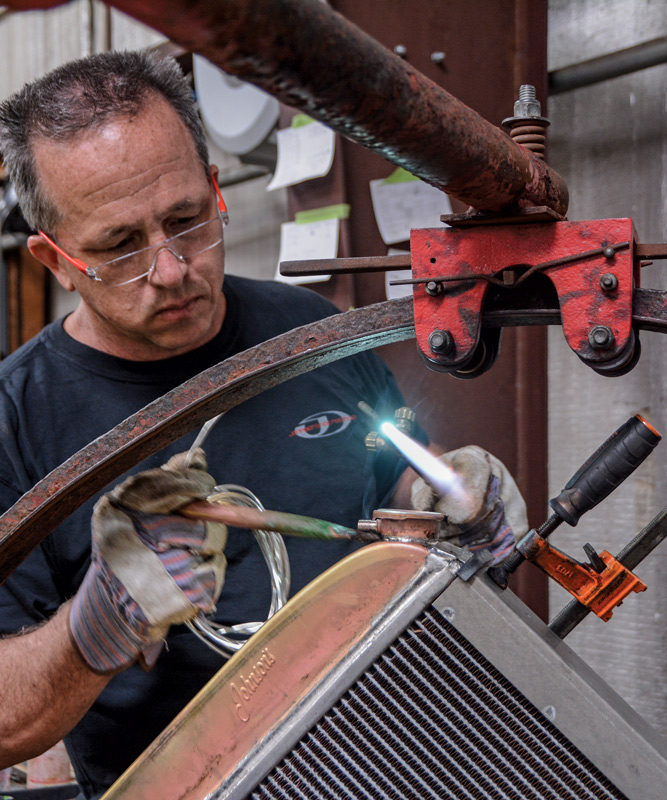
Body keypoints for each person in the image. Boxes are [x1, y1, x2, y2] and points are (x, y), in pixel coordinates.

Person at [0, 50, 527, 799]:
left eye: (186, 221)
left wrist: (448, 494)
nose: (173, 269)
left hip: (383, 766)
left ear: (216, 191)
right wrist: (96, 629)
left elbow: (394, 461)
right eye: (119, 248)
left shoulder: (305, 329)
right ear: (54, 261)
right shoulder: (16, 417)